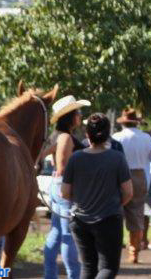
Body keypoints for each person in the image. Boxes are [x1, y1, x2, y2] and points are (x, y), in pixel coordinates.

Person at [62, 113, 133, 279]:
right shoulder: (117, 158)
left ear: (87, 134)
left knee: (88, 268)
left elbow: (64, 192)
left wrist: (82, 198)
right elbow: (128, 192)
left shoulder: (75, 158)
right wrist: (115, 204)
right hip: (109, 219)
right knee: (108, 268)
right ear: (108, 134)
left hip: (79, 221)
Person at [43, 95, 90, 279]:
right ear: (70, 116)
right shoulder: (66, 138)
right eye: (78, 113)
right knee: (68, 234)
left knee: (56, 232)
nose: (80, 116)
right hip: (65, 189)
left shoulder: (58, 135)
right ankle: (73, 276)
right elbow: (63, 168)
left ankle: (50, 275)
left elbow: (45, 157)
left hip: (58, 188)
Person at [111, 108, 151, 264]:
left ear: (123, 122)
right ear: (136, 122)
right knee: (136, 214)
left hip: (119, 175)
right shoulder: (146, 138)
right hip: (140, 177)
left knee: (116, 214)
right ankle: (134, 252)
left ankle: (114, 251)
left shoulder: (116, 137)